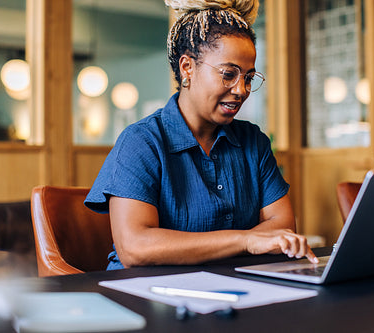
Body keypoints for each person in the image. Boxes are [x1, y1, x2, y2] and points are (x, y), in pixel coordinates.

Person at [85, 0, 318, 270]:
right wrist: (245, 240)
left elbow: (283, 227)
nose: (241, 90)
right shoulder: (141, 142)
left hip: (230, 287)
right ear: (187, 68)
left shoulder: (253, 141)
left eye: (249, 78)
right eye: (229, 74)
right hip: (145, 293)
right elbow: (136, 247)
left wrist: (250, 241)